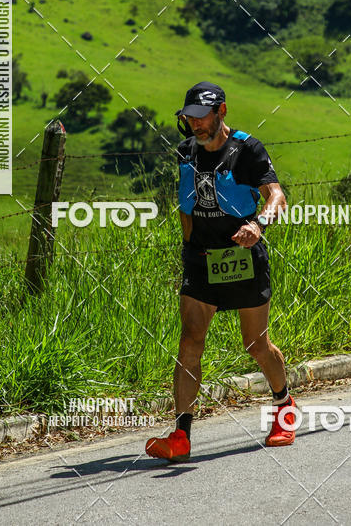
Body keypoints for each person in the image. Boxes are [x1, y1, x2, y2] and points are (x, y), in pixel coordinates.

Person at [145, 81, 294, 463]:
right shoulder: (185, 153)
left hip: (244, 258)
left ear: (221, 112)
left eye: (202, 117)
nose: (195, 124)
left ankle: (284, 408)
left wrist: (259, 223)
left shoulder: (247, 149)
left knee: (255, 344)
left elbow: (277, 196)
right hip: (201, 260)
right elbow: (185, 207)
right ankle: (181, 435)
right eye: (189, 117)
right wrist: (188, 251)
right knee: (189, 343)